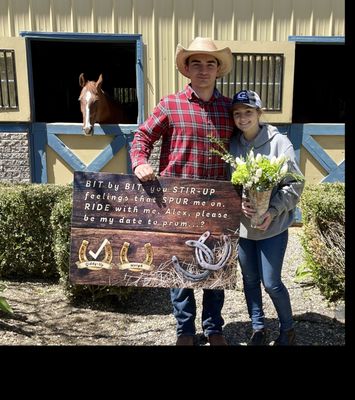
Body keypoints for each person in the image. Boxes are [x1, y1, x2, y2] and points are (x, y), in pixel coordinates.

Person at [129, 37, 234, 346]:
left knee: (216, 263)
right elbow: (143, 136)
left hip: (217, 201)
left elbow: (251, 139)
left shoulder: (230, 109)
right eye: (197, 63)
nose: (203, 69)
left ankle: (214, 328)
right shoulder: (170, 104)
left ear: (218, 70)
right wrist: (139, 163)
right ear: (187, 69)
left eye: (210, 63)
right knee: (179, 266)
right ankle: (185, 330)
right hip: (176, 200)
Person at [229, 90, 305, 345]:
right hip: (244, 229)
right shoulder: (233, 144)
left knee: (271, 282)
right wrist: (238, 200)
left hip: (272, 228)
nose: (242, 118)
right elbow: (229, 185)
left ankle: (288, 328)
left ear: (260, 113)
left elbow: (294, 184)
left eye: (248, 112)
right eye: (237, 114)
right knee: (249, 280)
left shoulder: (279, 143)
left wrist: (272, 211)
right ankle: (258, 328)